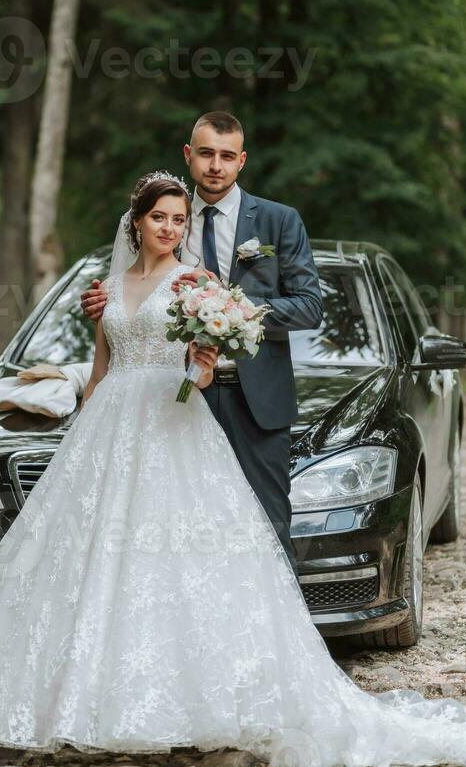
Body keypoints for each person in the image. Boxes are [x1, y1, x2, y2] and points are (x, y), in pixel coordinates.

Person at [0, 172, 466, 767]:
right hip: (109, 429)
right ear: (136, 222)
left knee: (186, 559)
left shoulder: (197, 282)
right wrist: (81, 435)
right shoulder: (107, 289)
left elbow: (205, 371)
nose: (169, 227)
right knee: (91, 562)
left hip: (174, 426)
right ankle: (77, 697)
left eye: (178, 219)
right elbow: (102, 369)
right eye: (158, 218)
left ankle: (186, 700)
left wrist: (205, 361)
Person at [81, 111, 324, 580]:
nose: (216, 165)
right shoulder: (169, 215)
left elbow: (309, 306)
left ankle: (276, 643)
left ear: (241, 161)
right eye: (207, 153)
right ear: (190, 156)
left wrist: (230, 304)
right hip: (178, 398)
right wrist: (101, 301)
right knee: (181, 534)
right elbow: (131, 292)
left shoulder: (277, 220)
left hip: (256, 398)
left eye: (227, 156)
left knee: (267, 527)